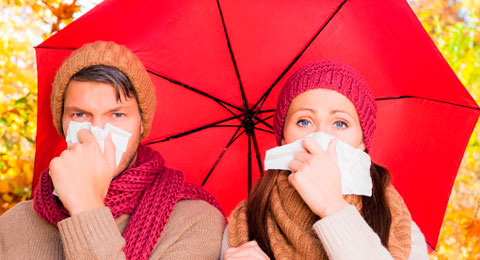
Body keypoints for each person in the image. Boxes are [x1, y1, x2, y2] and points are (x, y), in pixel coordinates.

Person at [0, 41, 225, 259]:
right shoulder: (12, 226)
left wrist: (86, 207)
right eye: (80, 114)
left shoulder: (195, 221)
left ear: (142, 124)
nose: (97, 131)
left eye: (117, 115)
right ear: (63, 123)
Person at [221, 60, 429, 260]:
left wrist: (332, 206)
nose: (320, 136)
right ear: (283, 137)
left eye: (340, 123)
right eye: (304, 121)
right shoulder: (244, 224)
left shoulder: (395, 221)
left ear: (362, 142)